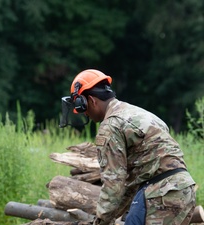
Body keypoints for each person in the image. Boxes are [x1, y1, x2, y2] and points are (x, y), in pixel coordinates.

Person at [60, 69, 196, 225]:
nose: (85, 114)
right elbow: (130, 185)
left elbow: (113, 183)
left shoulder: (110, 126)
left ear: (90, 101)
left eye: (83, 109)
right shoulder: (140, 114)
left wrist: (100, 221)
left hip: (160, 196)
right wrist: (108, 217)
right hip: (184, 190)